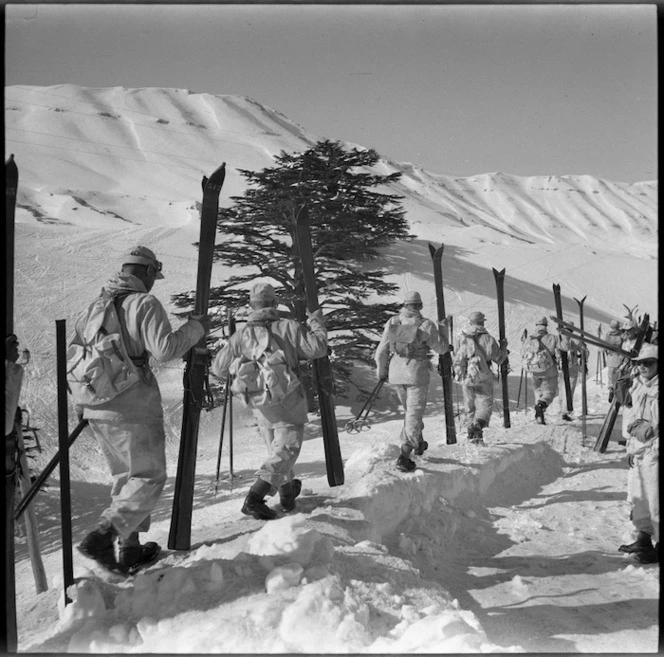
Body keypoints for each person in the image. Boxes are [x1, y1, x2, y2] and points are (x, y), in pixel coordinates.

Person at [75, 246, 210, 573]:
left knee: (126, 477)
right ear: (147, 271)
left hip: (95, 404)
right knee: (148, 477)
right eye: (154, 276)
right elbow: (165, 350)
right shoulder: (144, 303)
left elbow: (76, 360)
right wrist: (196, 328)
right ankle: (105, 536)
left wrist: (81, 405)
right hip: (130, 402)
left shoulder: (93, 308)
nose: (154, 283)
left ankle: (130, 552)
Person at [211, 282, 328, 520]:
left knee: (277, 448)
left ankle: (287, 494)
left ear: (251, 306)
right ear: (275, 304)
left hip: (258, 402)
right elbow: (318, 348)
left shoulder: (241, 335)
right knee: (287, 449)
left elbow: (219, 369)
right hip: (287, 398)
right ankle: (255, 497)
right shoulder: (288, 327)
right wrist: (316, 322)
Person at [374, 291, 449, 472]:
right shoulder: (426, 325)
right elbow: (442, 348)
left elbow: (381, 352)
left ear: (405, 305)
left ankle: (419, 443)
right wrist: (443, 331)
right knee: (414, 414)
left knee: (410, 412)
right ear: (420, 306)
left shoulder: (393, 322)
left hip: (396, 374)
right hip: (416, 374)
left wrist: (382, 372)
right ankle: (404, 456)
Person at [618, 343, 658, 564]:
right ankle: (644, 538)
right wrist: (632, 448)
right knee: (640, 499)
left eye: (648, 363)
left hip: (654, 451)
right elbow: (634, 417)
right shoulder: (641, 385)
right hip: (641, 450)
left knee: (656, 502)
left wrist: (646, 447)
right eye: (640, 363)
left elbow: (654, 427)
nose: (643, 367)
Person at [452, 311, 507, 444]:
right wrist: (504, 347)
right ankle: (477, 426)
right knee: (485, 403)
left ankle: (471, 432)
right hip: (483, 375)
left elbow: (456, 355)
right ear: (482, 322)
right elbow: (499, 359)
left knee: (469, 405)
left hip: (467, 376)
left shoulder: (461, 338)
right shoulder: (488, 339)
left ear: (470, 322)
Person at [520, 317, 570, 425]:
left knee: (538, 391)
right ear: (546, 326)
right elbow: (565, 347)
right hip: (549, 370)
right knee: (549, 392)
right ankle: (541, 406)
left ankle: (539, 414)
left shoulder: (530, 339)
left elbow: (523, 353)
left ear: (536, 325)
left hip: (534, 370)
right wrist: (565, 335)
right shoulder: (552, 338)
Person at [557, 322, 589, 421]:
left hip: (561, 366)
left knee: (562, 388)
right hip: (572, 366)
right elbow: (585, 352)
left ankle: (562, 408)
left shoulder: (559, 337)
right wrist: (582, 360)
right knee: (569, 388)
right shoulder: (575, 339)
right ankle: (565, 411)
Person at [605, 319, 624, 402]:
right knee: (613, 376)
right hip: (614, 357)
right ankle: (613, 390)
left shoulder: (621, 335)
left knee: (614, 376)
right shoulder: (609, 335)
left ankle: (614, 390)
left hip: (617, 357)